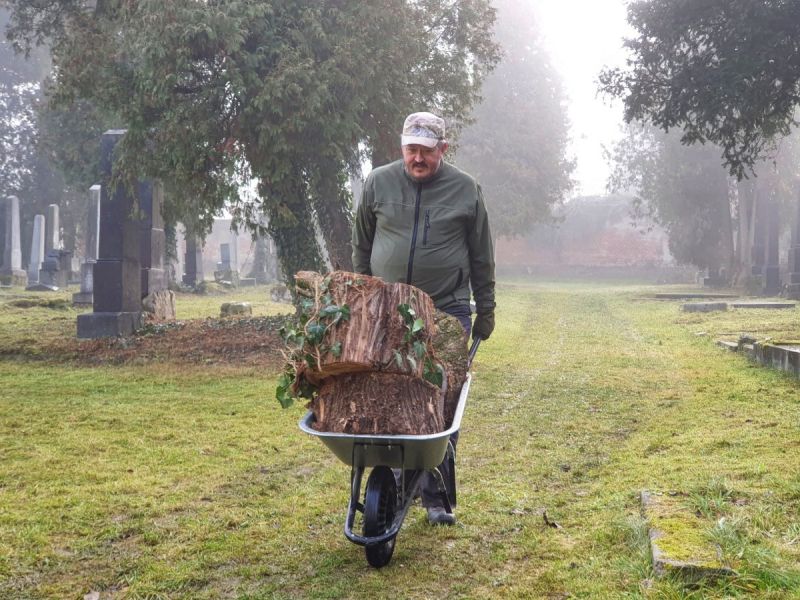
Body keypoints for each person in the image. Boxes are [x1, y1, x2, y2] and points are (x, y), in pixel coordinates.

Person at [352, 111, 496, 525]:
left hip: (445, 309)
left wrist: (486, 309)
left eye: (426, 151)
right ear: (402, 147)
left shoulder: (465, 189)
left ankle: (436, 498)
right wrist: (363, 298)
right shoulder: (378, 182)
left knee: (441, 400)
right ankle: (394, 481)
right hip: (389, 308)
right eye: (411, 149)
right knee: (389, 394)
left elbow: (482, 256)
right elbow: (362, 245)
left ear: (443, 149)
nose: (418, 158)